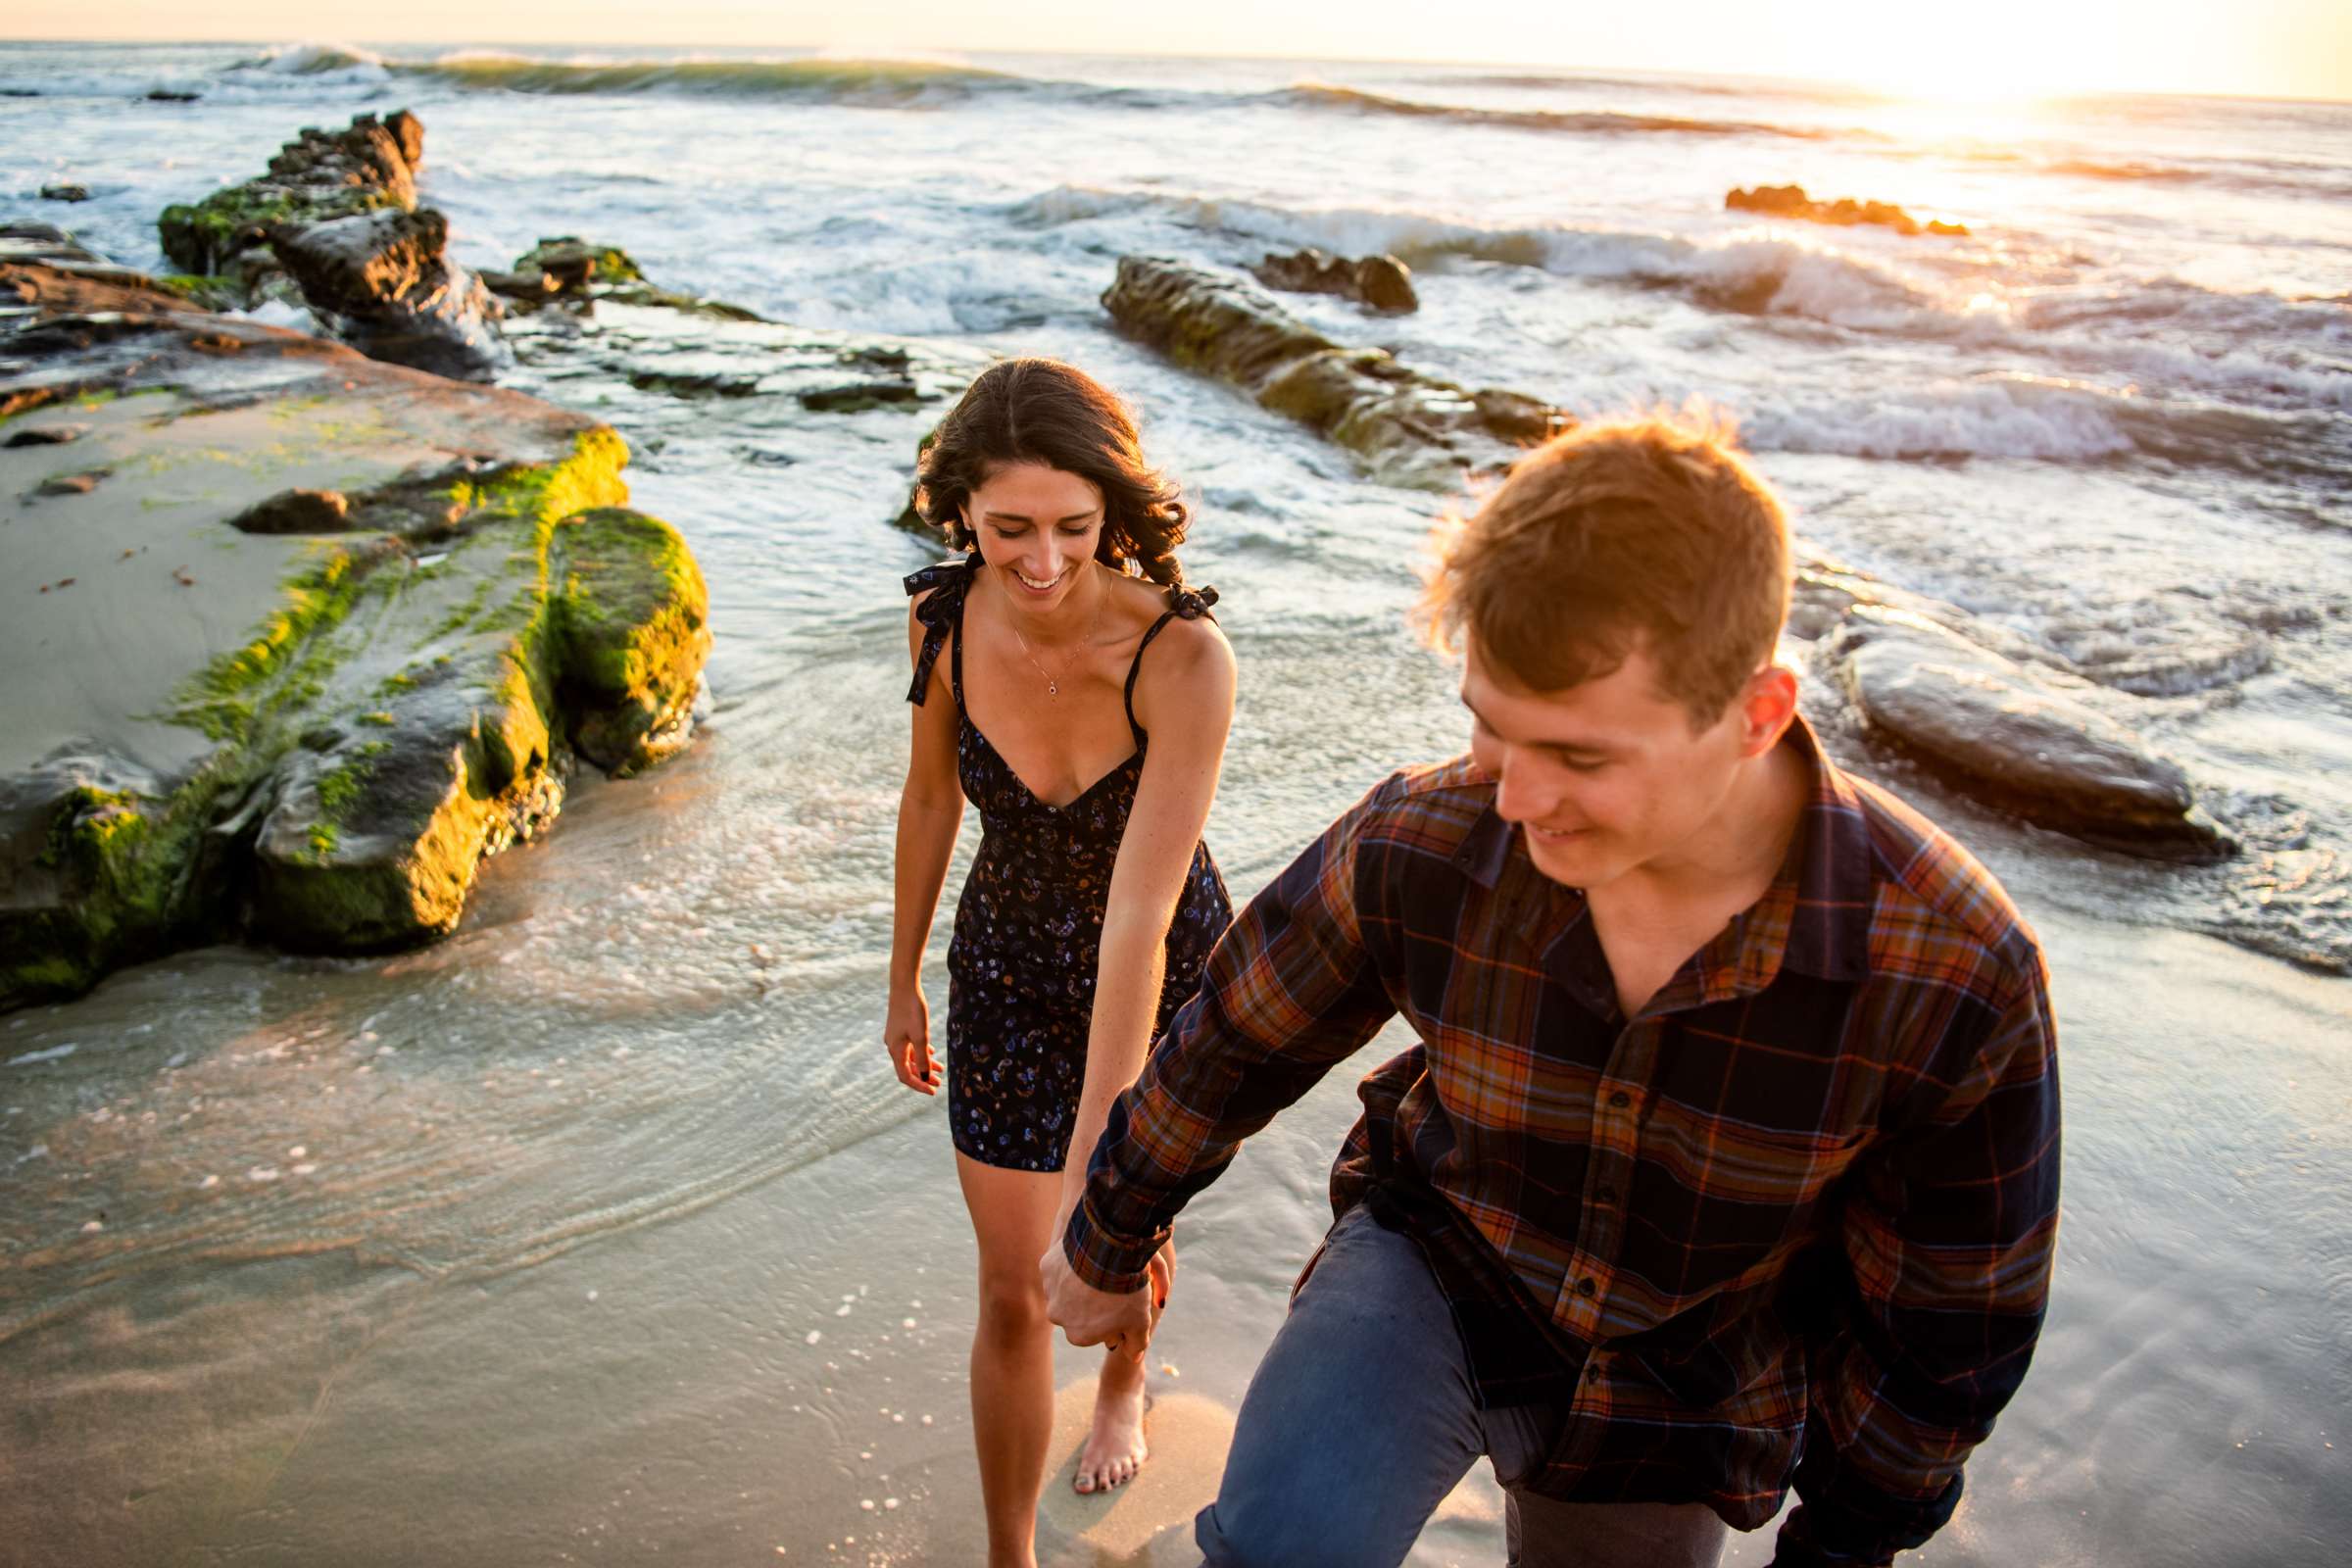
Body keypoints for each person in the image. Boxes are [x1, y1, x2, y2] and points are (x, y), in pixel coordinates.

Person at [1041, 415, 2061, 1568]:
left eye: (1579, 756)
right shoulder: (1431, 837)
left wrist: (1845, 1544)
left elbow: (1948, 1327)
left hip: (1690, 1375)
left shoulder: (1946, 968)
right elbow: (1234, 1038)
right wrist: (1107, 1234)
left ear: (1757, 713)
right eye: (1490, 727)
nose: (1518, 799)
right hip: (1437, 1262)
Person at [884, 359, 1236, 1567]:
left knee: (1116, 1235)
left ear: (1116, 515)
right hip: (1006, 964)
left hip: (1160, 959)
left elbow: (1138, 913)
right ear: (961, 512)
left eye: (1074, 530)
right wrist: (901, 978)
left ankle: (1128, 1376)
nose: (1039, 561)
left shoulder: (1184, 660)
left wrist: (1102, 1153)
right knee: (1013, 1286)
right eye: (1008, 529)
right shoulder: (940, 617)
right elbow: (930, 800)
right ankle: (1007, 1557)